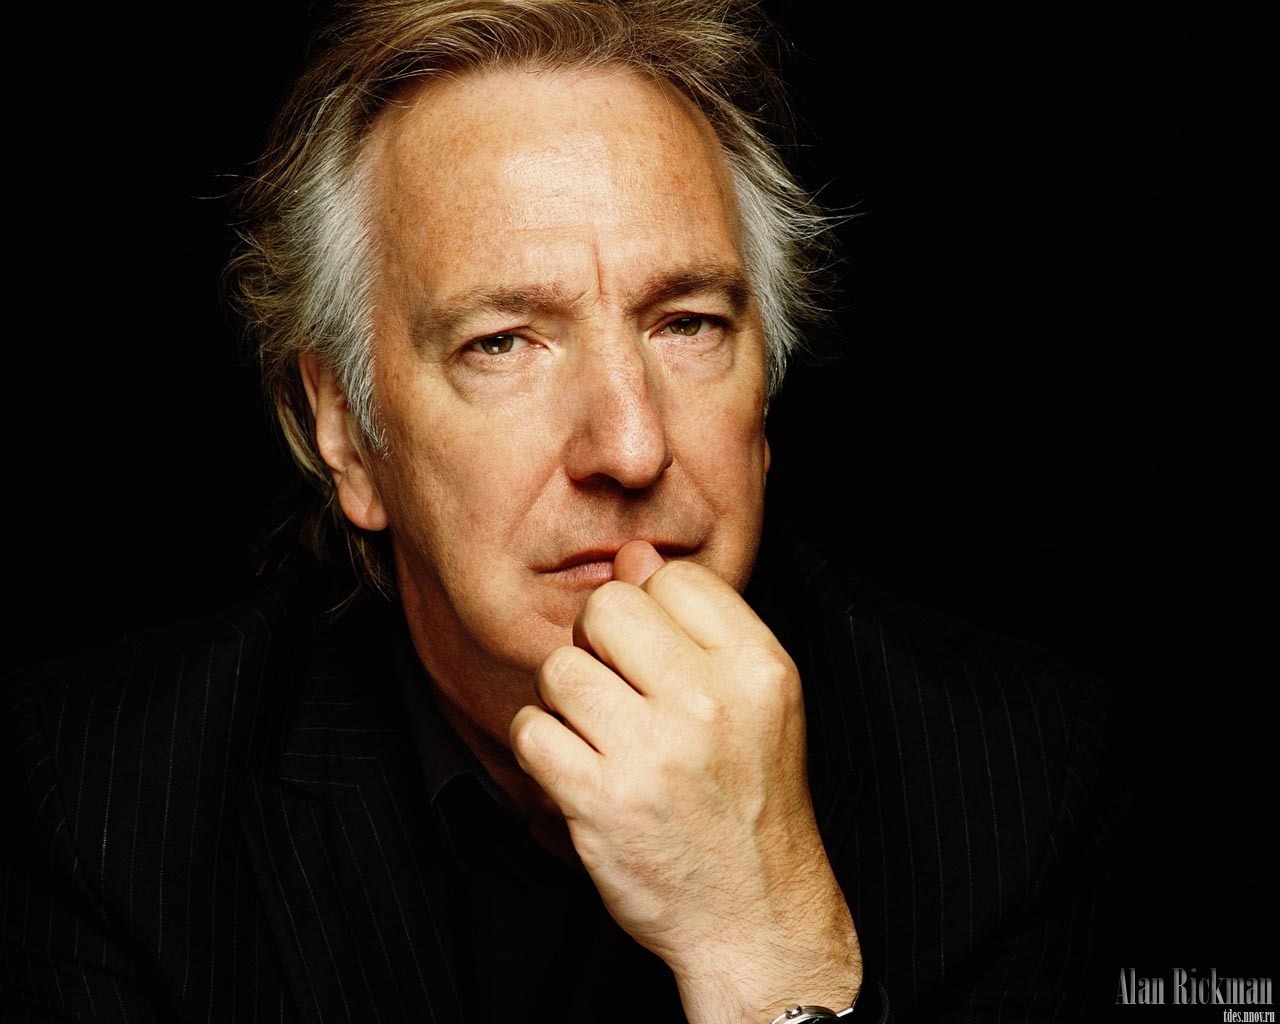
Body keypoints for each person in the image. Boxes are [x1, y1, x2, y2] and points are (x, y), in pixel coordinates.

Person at [2, 2, 1113, 1021]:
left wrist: (765, 944)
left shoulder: (1007, 776)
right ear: (347, 432)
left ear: (765, 392)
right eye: (502, 343)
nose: (630, 446)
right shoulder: (103, 802)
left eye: (687, 323)